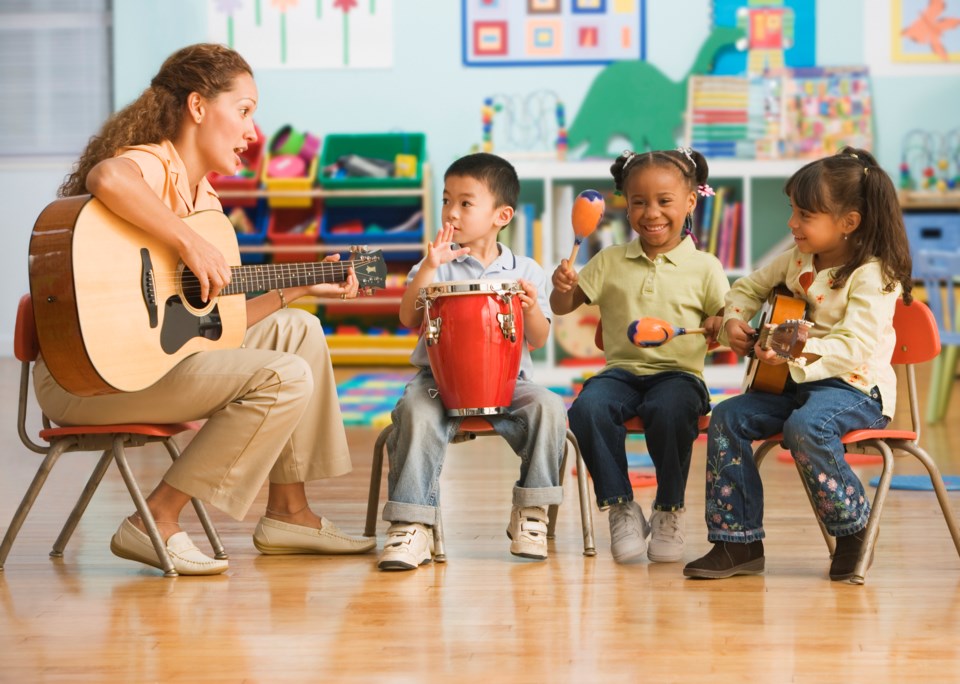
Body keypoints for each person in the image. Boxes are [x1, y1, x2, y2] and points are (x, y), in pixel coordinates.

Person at [38, 43, 375, 576]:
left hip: (152, 365)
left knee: (299, 332)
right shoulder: (152, 163)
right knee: (280, 376)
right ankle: (157, 519)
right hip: (90, 380)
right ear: (198, 107)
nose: (253, 132)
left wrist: (301, 287)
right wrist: (187, 243)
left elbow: (217, 324)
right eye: (244, 110)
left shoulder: (207, 204)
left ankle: (289, 513)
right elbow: (108, 177)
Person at [683, 147, 914, 582]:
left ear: (849, 222)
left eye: (805, 215)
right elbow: (747, 289)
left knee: (806, 426)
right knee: (728, 416)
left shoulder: (874, 274)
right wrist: (734, 320)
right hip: (795, 385)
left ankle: (854, 531)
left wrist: (792, 352)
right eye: (794, 211)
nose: (792, 224)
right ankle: (738, 542)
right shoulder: (797, 259)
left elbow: (855, 345)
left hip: (856, 390)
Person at [377, 152, 567, 571]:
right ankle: (412, 525)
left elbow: (538, 337)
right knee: (414, 410)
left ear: (502, 214)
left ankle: (531, 514)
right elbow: (409, 317)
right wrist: (429, 267)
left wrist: (532, 307)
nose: (451, 212)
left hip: (507, 382)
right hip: (438, 381)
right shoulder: (436, 267)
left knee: (550, 407)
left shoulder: (526, 270)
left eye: (465, 202)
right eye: (447, 200)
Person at [551, 148, 728, 564]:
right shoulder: (610, 259)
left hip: (679, 376)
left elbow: (726, 318)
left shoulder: (705, 266)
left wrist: (721, 323)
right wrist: (561, 286)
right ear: (625, 206)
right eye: (639, 202)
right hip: (621, 374)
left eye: (665, 201)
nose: (652, 212)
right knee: (587, 409)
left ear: (690, 202)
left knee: (671, 408)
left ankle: (668, 509)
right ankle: (621, 506)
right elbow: (563, 306)